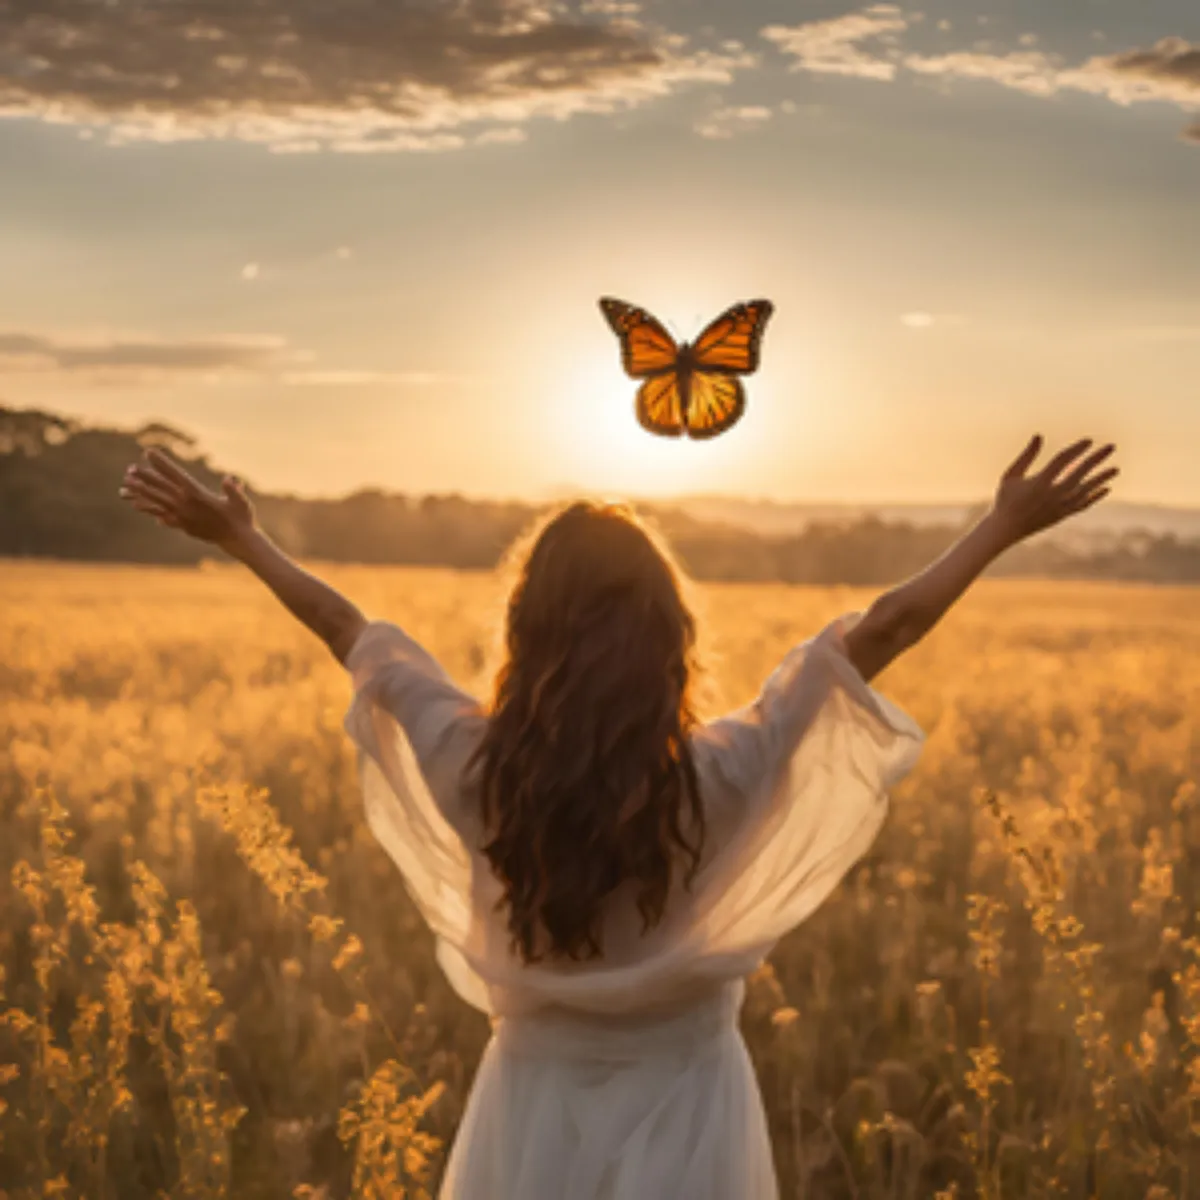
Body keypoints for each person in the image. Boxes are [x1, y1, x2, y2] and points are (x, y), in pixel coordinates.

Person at [120, 433, 1117, 1199]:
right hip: (690, 1094)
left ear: (525, 628)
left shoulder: (473, 761)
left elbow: (352, 633)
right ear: (669, 636)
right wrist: (1002, 527)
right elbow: (883, 630)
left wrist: (240, 537)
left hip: (531, 1099)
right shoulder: (724, 771)